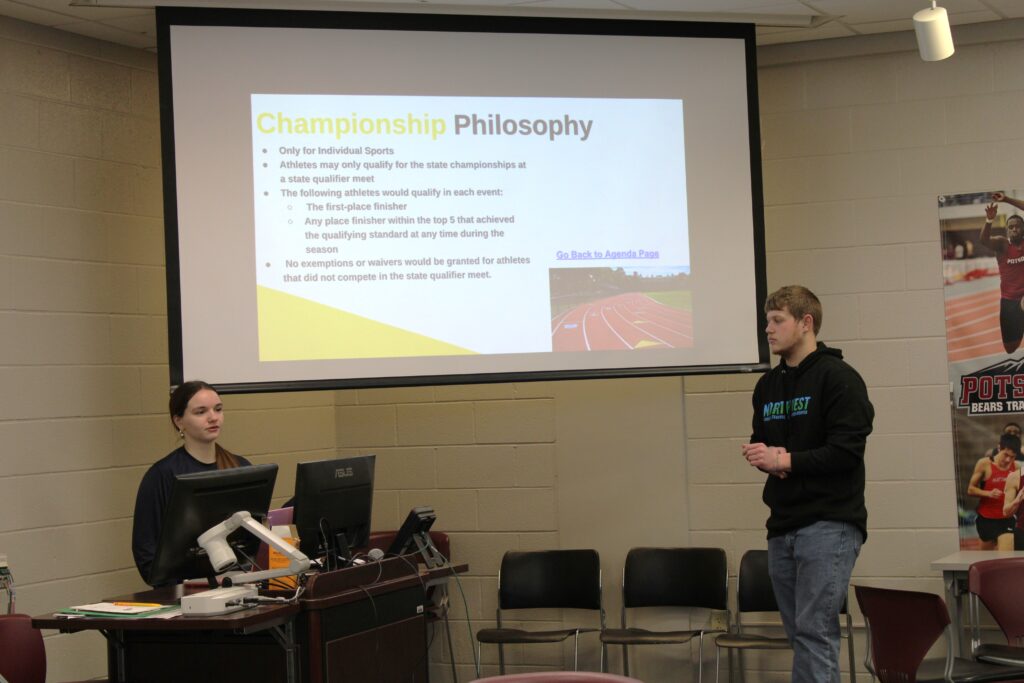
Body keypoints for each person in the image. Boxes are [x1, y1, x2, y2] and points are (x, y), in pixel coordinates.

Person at [741, 285, 874, 683]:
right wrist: (763, 456)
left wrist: (786, 460)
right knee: (801, 634)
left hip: (829, 524)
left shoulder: (839, 378)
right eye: (767, 321)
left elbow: (846, 452)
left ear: (806, 323)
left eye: (778, 320)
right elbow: (762, 439)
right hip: (782, 526)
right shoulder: (767, 386)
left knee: (816, 633)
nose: (768, 329)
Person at [131, 380, 251, 584]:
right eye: (201, 412)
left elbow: (251, 536)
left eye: (218, 409)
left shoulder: (240, 466)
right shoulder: (162, 475)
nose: (213, 417)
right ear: (179, 421)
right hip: (184, 592)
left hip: (237, 582)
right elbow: (146, 551)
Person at [980, 193, 1024, 353]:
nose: (1014, 229)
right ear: (1007, 230)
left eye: (1017, 226)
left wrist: (1007, 199)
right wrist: (989, 221)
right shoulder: (1002, 245)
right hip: (1009, 302)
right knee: (1010, 348)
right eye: (1010, 227)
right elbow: (984, 241)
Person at [967, 432, 1019, 551]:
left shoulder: (1016, 467)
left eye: (1012, 456)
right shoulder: (984, 464)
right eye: (1006, 454)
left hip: (1006, 519)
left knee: (1006, 557)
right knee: (988, 561)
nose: (1008, 460)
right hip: (986, 518)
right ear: (999, 447)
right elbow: (970, 489)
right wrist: (988, 493)